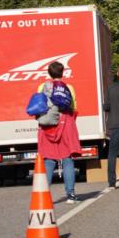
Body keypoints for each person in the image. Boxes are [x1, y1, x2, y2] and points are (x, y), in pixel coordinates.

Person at [36, 61, 82, 202]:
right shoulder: (69, 88)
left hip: (48, 125)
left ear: (49, 73)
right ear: (62, 73)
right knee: (67, 159)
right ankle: (71, 195)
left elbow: (39, 106)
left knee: (49, 160)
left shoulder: (42, 87)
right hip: (66, 123)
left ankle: (44, 195)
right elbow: (73, 107)